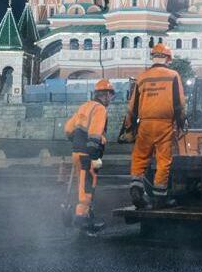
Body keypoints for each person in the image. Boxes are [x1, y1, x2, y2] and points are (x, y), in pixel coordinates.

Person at [122, 43, 186, 209]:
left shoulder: (142, 77)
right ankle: (160, 198)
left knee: (140, 157)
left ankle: (136, 189)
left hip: (144, 124)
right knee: (163, 160)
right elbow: (179, 103)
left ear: (153, 57)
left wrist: (129, 128)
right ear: (167, 58)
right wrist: (181, 123)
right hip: (164, 124)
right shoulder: (173, 75)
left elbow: (132, 106)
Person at [63, 79, 115, 235]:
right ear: (105, 95)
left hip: (77, 152)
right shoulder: (99, 109)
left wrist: (77, 142)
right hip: (88, 154)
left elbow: (68, 129)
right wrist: (94, 156)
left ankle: (86, 215)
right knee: (87, 187)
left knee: (82, 184)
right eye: (110, 96)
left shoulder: (84, 106)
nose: (110, 100)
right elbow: (94, 133)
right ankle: (81, 218)